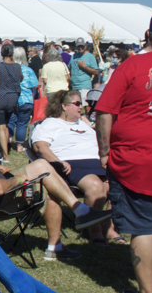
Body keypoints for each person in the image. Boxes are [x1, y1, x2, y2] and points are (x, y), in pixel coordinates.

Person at [95, 16, 152, 293]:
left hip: (136, 158)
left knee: (144, 226)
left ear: (147, 34)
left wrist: (104, 152)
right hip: (140, 156)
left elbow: (104, 111)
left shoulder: (131, 66)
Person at [31, 90, 120, 244]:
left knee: (115, 186)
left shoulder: (84, 124)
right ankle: (94, 229)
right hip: (71, 163)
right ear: (64, 106)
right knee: (96, 186)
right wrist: (58, 162)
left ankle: (107, 226)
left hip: (96, 162)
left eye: (82, 104)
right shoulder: (50, 123)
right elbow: (41, 147)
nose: (81, 107)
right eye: (77, 104)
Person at [0, 158, 109, 260]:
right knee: (41, 166)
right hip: (0, 200)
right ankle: (81, 211)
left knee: (48, 184)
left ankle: (56, 247)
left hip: (3, 187)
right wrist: (18, 179)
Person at [6, 47, 39, 152]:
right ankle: (19, 145)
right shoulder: (28, 70)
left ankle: (8, 140)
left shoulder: (8, 69)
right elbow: (35, 85)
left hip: (11, 99)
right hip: (26, 99)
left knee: (10, 121)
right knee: (22, 123)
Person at [69, 37, 100, 114]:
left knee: (86, 106)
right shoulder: (73, 56)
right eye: (79, 46)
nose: (80, 48)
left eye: (82, 46)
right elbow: (69, 69)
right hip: (74, 86)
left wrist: (84, 67)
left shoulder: (90, 56)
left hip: (84, 86)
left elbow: (96, 72)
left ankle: (88, 120)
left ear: (85, 46)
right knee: (75, 106)